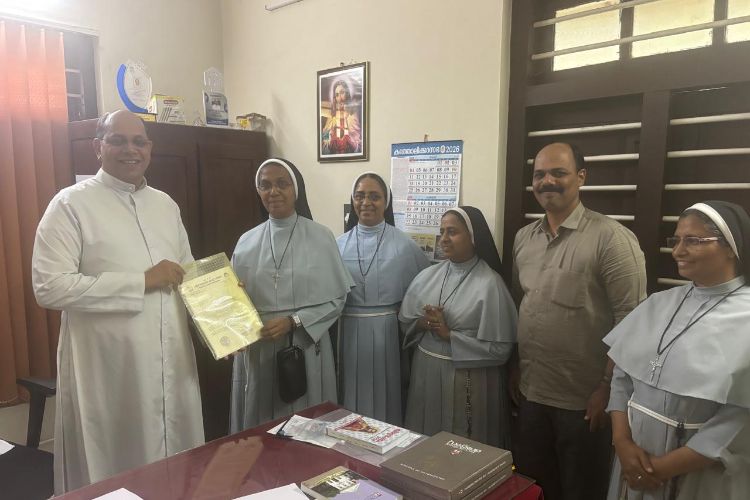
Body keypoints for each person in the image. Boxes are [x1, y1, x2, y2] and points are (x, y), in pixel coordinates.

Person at [31, 110, 204, 493]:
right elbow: (49, 286)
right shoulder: (70, 205)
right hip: (110, 371)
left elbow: (187, 273)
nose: (131, 150)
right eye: (118, 140)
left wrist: (225, 314)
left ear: (150, 148)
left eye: (139, 141)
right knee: (114, 469)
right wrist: (140, 281)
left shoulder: (165, 205)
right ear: (98, 147)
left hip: (172, 361)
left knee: (177, 468)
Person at [511, 142, 647, 500]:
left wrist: (608, 388)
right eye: (539, 174)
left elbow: (632, 323)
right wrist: (517, 367)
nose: (547, 181)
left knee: (580, 491)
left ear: (581, 177)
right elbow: (526, 306)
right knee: (533, 487)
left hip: (585, 403)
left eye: (559, 173)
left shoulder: (611, 239)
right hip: (531, 393)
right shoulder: (524, 238)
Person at [604, 201, 750, 500]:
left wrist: (660, 468)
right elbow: (621, 377)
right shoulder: (659, 302)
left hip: (697, 473)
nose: (678, 251)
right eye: (676, 240)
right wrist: (621, 441)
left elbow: (740, 419)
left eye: (693, 240)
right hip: (632, 459)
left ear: (730, 247)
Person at [230, 158, 354, 431]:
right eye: (265, 185)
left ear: (296, 190)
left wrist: (293, 321)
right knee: (261, 425)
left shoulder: (321, 237)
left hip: (303, 345)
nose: (273, 192)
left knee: (305, 424)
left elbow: (337, 299)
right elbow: (232, 299)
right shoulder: (246, 241)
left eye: (282, 184)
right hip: (259, 346)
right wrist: (229, 333)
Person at [399, 206, 517, 447]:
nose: (443, 238)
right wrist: (423, 323)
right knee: (426, 440)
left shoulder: (490, 284)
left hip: (467, 377)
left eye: (452, 232)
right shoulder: (427, 276)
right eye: (442, 231)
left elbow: (501, 350)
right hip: (426, 374)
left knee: (462, 444)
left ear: (473, 237)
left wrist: (449, 336)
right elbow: (405, 324)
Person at [336, 172, 430, 425]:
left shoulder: (405, 245)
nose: (366, 202)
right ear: (352, 200)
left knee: (388, 391)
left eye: (374, 196)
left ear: (386, 202)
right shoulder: (337, 245)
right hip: (349, 330)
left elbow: (424, 289)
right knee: (350, 391)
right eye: (360, 196)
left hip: (389, 332)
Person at [322, 80, 362, 155]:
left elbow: (357, 136)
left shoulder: (353, 112)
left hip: (350, 149)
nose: (339, 98)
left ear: (347, 93)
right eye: (337, 95)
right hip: (334, 150)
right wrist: (329, 142)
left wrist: (352, 143)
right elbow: (326, 131)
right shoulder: (333, 113)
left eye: (342, 93)